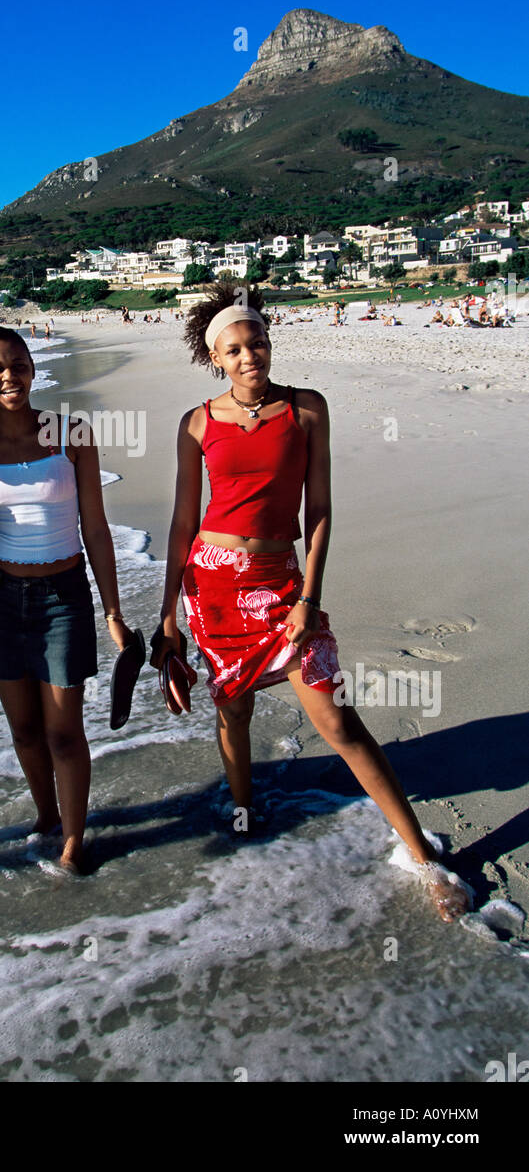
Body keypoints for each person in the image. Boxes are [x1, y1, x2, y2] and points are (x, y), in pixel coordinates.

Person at [151, 284, 471, 922]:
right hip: (211, 583)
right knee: (233, 710)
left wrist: (307, 597)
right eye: (235, 349)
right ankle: (244, 813)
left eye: (258, 343)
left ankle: (423, 858)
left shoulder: (306, 410)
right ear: (215, 357)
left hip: (279, 584)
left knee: (339, 721)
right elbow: (183, 523)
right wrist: (167, 619)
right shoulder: (196, 422)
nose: (250, 357)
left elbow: (318, 511)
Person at [0, 327, 133, 875]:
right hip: (3, 599)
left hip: (65, 597)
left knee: (63, 729)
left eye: (19, 363)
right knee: (25, 730)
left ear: (33, 367)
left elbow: (96, 528)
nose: (10, 376)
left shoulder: (71, 434)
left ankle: (75, 839)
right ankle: (45, 814)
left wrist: (113, 612)